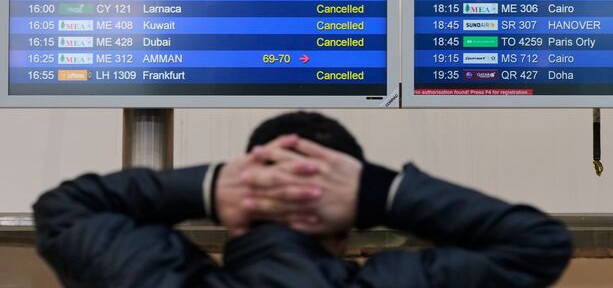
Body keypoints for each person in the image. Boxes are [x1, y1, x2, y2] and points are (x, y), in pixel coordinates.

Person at [34, 111, 573, 288]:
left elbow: (64, 210)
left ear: (235, 212)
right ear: (348, 225)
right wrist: (379, 191)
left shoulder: (157, 279)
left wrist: (210, 184)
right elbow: (538, 243)